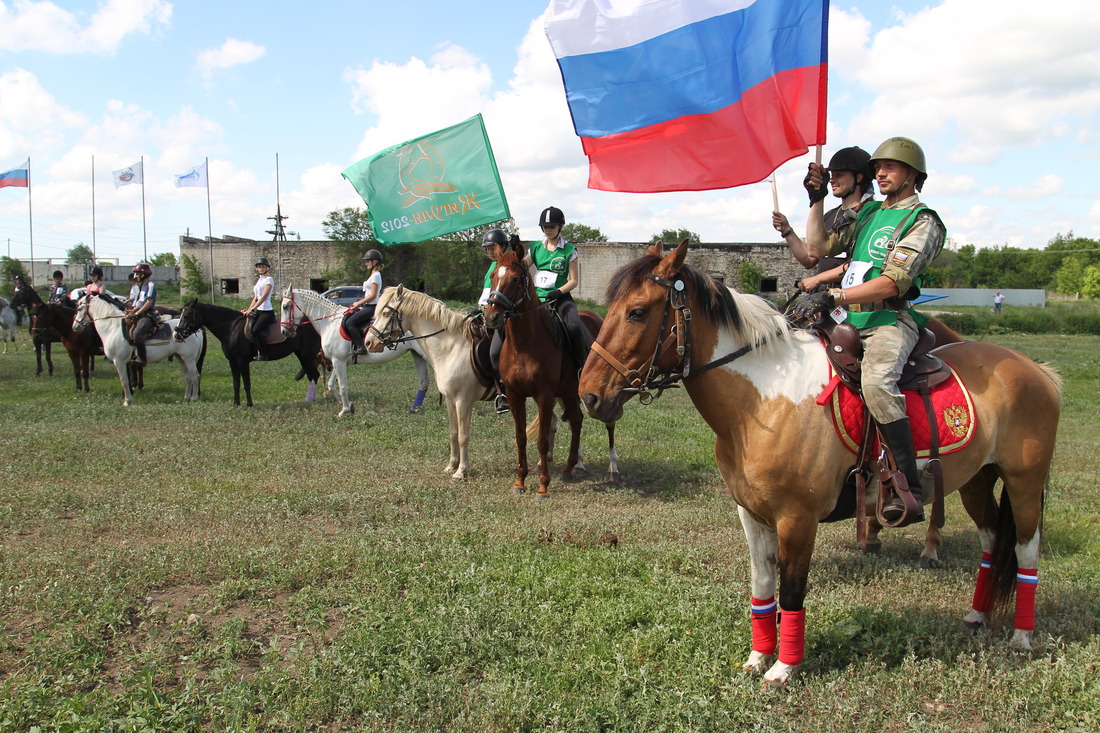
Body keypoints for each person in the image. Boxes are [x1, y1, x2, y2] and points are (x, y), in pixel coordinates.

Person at [792, 136, 947, 527]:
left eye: (890, 167)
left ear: (913, 175)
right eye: (877, 167)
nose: (880, 173)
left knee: (878, 384)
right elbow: (816, 249)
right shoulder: (867, 214)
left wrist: (834, 296)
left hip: (888, 320)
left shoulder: (922, 221)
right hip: (848, 318)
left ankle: (904, 485)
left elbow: (894, 281)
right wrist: (816, 200)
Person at [772, 146, 875, 282]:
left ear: (859, 177)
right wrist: (787, 231)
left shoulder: (872, 216)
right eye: (832, 175)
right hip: (823, 297)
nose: (832, 180)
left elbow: (861, 265)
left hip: (851, 297)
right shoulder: (830, 216)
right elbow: (809, 258)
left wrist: (818, 279)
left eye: (839, 175)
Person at [523, 205, 591, 374]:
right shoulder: (536, 248)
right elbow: (522, 266)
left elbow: (574, 281)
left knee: (574, 326)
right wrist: (516, 250)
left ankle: (581, 366)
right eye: (545, 227)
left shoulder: (569, 250)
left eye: (552, 226)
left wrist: (558, 292)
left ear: (560, 226)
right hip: (536, 299)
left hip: (560, 298)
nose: (548, 230)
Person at [479, 227, 513, 413]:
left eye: (494, 248)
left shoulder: (507, 265)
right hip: (485, 311)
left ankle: (502, 391)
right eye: (488, 249)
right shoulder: (492, 267)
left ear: (503, 246)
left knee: (492, 352)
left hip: (500, 314)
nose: (491, 252)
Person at [343, 249, 384, 354]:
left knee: (350, 323)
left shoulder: (376, 275)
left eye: (368, 261)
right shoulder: (373, 275)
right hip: (368, 305)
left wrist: (358, 303)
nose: (366, 263)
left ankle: (361, 348)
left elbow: (373, 295)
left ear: (375, 262)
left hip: (372, 306)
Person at [244, 257, 276, 360]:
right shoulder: (259, 280)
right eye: (259, 267)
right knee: (247, 327)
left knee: (256, 330)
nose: (261, 269)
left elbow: (264, 296)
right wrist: (249, 309)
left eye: (263, 267)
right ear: (256, 269)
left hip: (267, 312)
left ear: (267, 267)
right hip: (259, 310)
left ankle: (264, 353)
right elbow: (256, 297)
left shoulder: (269, 280)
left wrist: (253, 309)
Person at [125, 263, 157, 365]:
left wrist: (137, 313)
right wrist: (133, 311)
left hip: (148, 315)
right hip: (141, 313)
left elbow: (148, 303)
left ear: (143, 274)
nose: (136, 276)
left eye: (138, 274)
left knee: (137, 334)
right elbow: (140, 303)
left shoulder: (150, 285)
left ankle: (142, 358)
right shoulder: (142, 287)